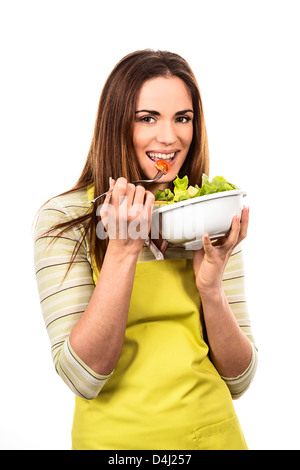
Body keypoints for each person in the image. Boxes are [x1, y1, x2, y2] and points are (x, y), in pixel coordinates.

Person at [33, 49, 258, 450]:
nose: (169, 138)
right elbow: (83, 377)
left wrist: (210, 288)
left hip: (214, 436)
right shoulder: (64, 218)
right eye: (147, 118)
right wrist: (121, 252)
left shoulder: (209, 213)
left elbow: (240, 379)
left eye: (182, 118)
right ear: (116, 124)